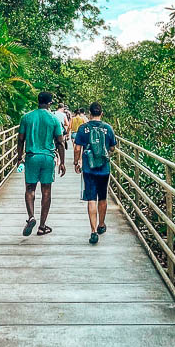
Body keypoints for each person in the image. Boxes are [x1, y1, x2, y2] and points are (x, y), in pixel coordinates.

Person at [16, 91, 66, 236]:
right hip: (47, 158)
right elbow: (60, 142)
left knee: (30, 188)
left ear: (38, 101)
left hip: (32, 157)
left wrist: (19, 157)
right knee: (46, 191)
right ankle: (42, 226)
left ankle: (31, 217)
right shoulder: (54, 119)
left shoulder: (26, 117)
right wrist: (62, 162)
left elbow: (20, 139)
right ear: (50, 103)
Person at [73, 101, 117, 245]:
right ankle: (101, 225)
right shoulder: (108, 128)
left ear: (89, 114)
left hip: (88, 168)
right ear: (101, 113)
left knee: (91, 198)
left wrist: (76, 162)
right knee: (102, 197)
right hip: (104, 168)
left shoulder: (83, 128)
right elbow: (112, 148)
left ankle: (92, 231)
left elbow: (77, 149)